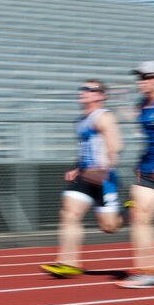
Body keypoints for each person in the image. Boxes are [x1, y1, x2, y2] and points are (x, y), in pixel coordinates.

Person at [41, 79, 125, 278]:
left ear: (101, 95)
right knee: (69, 213)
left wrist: (107, 164)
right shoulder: (80, 121)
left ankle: (129, 210)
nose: (83, 92)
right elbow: (84, 150)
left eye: (89, 89)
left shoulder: (104, 117)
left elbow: (115, 145)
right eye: (82, 88)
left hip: (104, 178)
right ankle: (68, 263)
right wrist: (76, 168)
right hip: (84, 176)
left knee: (109, 226)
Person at [116, 61, 154, 288]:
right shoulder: (142, 104)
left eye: (146, 77)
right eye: (139, 78)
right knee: (139, 215)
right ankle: (151, 270)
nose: (141, 82)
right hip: (152, 171)